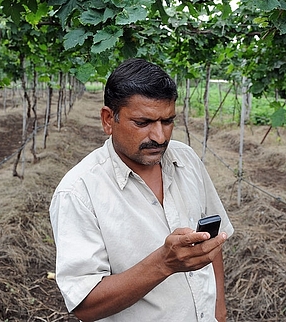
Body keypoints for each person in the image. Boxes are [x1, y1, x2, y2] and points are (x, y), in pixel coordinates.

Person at [49, 58, 234, 322]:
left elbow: (212, 242)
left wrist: (219, 310)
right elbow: (85, 306)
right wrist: (164, 263)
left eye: (167, 121)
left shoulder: (187, 160)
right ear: (108, 119)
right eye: (143, 122)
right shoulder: (78, 193)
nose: (160, 136)